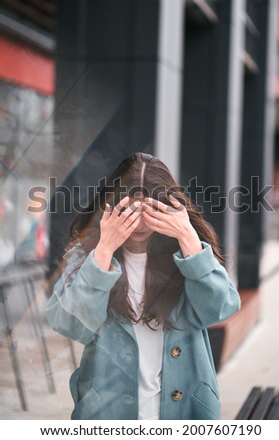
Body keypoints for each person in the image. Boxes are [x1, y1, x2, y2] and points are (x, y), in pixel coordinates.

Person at [46, 152, 240, 420]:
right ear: (111, 208)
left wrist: (188, 239)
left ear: (167, 209)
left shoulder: (186, 254)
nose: (138, 223)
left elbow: (220, 309)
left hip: (186, 413)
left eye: (149, 211)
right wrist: (104, 251)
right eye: (128, 211)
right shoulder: (88, 255)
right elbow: (70, 325)